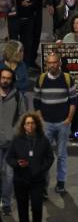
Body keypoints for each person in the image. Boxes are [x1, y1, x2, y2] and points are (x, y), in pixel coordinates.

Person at [33, 52, 76, 195]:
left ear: (59, 63)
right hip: (47, 124)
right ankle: (43, 187)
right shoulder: (41, 79)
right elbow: (36, 102)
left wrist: (69, 119)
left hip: (63, 123)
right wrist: (41, 121)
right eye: (49, 63)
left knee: (62, 154)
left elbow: (73, 101)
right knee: (44, 156)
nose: (52, 65)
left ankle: (61, 183)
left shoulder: (67, 79)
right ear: (47, 64)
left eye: (54, 62)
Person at [5, 113, 53, 222]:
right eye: (27, 123)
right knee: (22, 209)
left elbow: (50, 157)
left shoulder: (43, 140)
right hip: (21, 180)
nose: (30, 125)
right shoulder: (17, 140)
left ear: (36, 125)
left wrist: (41, 169)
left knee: (37, 207)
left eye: (32, 123)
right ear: (23, 125)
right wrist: (17, 163)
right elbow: (9, 157)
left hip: (37, 180)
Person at [0, 66, 27, 214]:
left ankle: (6, 204)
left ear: (12, 80)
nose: (5, 81)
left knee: (8, 175)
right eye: (3, 77)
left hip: (11, 143)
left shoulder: (18, 96)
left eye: (8, 78)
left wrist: (16, 134)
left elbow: (23, 118)